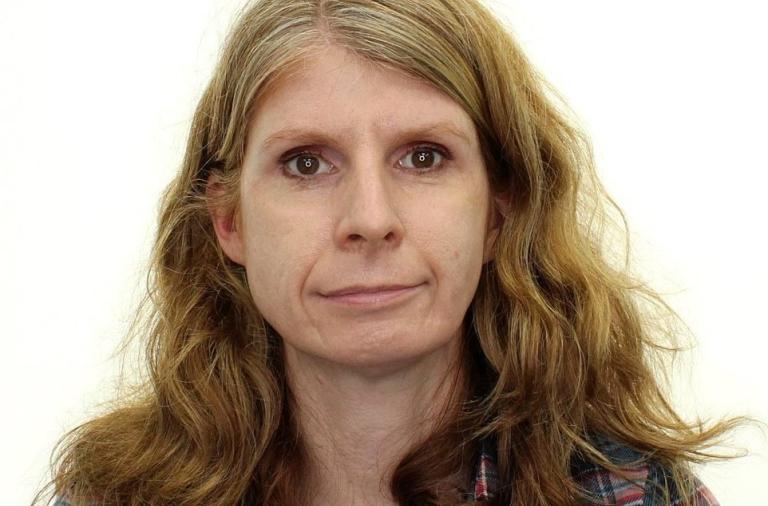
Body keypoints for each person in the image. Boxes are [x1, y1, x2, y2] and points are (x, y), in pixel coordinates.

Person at [35, 0, 749, 504]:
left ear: (499, 210)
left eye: (425, 157)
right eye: (306, 164)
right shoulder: (112, 496)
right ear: (228, 219)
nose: (370, 220)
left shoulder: (632, 498)